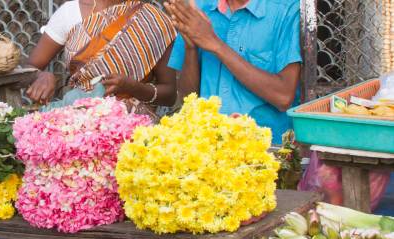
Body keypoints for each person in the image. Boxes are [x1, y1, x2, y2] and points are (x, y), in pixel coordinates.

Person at [164, 0, 302, 144]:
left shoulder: (285, 9)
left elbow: (283, 97)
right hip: (206, 146)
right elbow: (188, 97)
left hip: (265, 150)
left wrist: (214, 43)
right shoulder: (199, 9)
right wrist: (190, 47)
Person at [26, 0, 178, 116]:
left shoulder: (153, 21)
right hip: (76, 125)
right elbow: (29, 69)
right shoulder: (69, 13)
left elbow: (169, 94)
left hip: (134, 135)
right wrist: (41, 75)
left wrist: (134, 87)